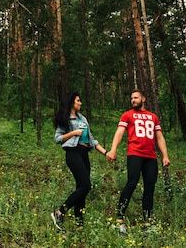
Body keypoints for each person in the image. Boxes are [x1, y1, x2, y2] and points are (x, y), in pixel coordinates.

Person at [106, 89, 170, 232]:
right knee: (132, 182)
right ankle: (119, 219)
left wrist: (165, 156)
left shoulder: (153, 117)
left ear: (143, 99)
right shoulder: (127, 115)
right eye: (131, 98)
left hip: (151, 157)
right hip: (135, 154)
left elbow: (159, 137)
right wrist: (113, 149)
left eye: (135, 98)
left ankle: (147, 222)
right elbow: (119, 133)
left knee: (149, 187)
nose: (133, 100)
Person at [51, 92, 108, 232]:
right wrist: (73, 133)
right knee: (86, 185)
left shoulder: (83, 118)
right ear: (72, 103)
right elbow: (58, 138)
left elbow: (92, 140)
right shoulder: (66, 119)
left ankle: (79, 225)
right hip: (73, 152)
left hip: (83, 154)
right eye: (78, 100)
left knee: (81, 188)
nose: (80, 103)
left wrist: (106, 153)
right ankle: (59, 212)